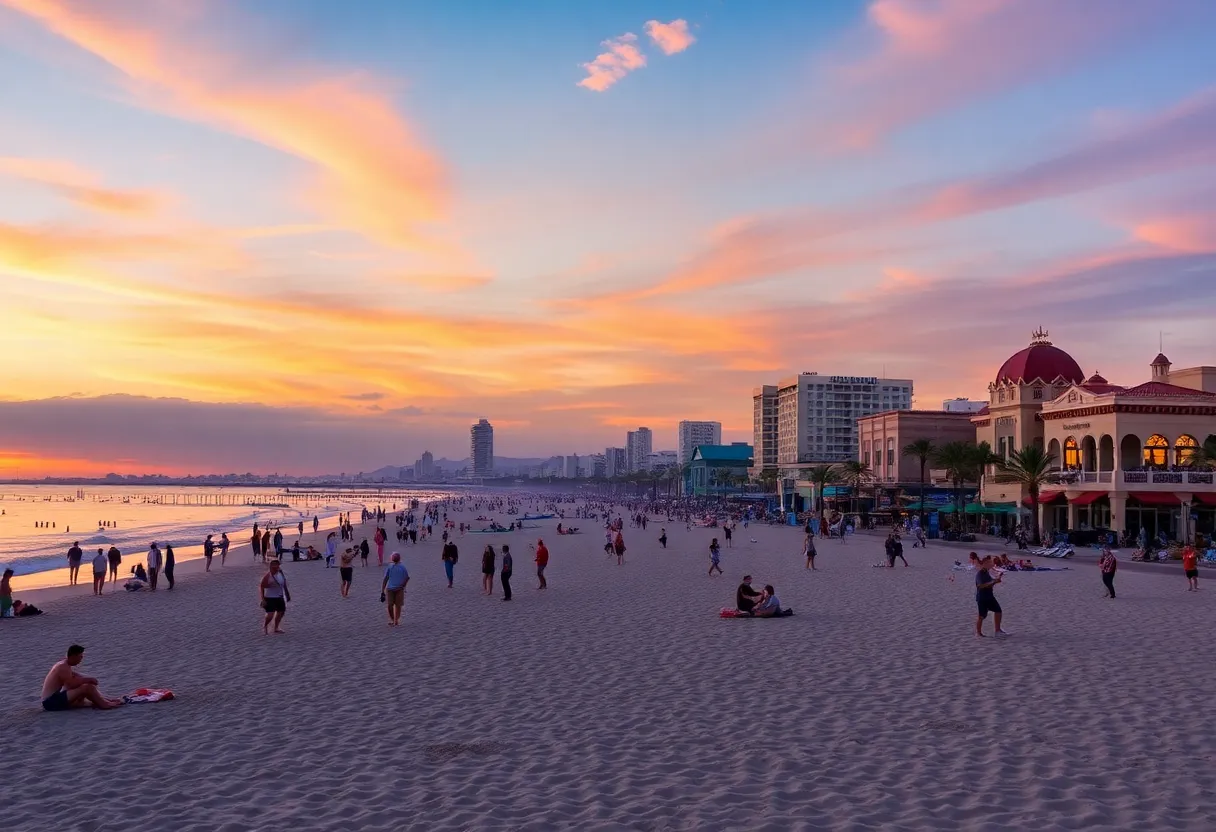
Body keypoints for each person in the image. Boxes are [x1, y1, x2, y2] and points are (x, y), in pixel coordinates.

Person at [40, 645, 123, 711]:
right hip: (50, 702)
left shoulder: (64, 665)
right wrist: (87, 680)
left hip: (53, 700)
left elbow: (75, 678)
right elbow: (70, 684)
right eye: (80, 657)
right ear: (73, 656)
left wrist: (87, 679)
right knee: (86, 687)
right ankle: (105, 705)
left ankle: (105, 700)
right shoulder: (63, 666)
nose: (81, 660)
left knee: (87, 687)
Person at [975, 556, 1009, 638]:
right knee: (981, 616)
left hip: (990, 596)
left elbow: (990, 583)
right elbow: (980, 586)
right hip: (982, 598)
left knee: (998, 611)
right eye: (989, 563)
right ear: (984, 564)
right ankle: (978, 633)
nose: (991, 564)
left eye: (991, 563)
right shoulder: (980, 574)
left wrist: (997, 580)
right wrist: (993, 581)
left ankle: (998, 630)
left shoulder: (986, 572)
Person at [259, 560, 289, 634]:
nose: (278, 567)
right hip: (270, 597)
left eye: (279, 565)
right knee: (270, 615)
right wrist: (263, 599)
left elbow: (283, 584)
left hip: (280, 596)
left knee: (281, 612)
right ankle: (265, 626)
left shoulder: (280, 573)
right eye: (277, 565)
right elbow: (262, 587)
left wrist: (287, 594)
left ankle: (276, 627)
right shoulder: (268, 576)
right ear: (272, 567)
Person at [381, 553, 409, 626]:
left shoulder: (402, 567)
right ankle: (393, 619)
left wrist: (403, 586)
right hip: (390, 589)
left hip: (399, 589)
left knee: (398, 605)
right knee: (390, 605)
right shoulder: (390, 567)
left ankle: (395, 620)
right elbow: (386, 578)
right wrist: (382, 590)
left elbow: (407, 577)